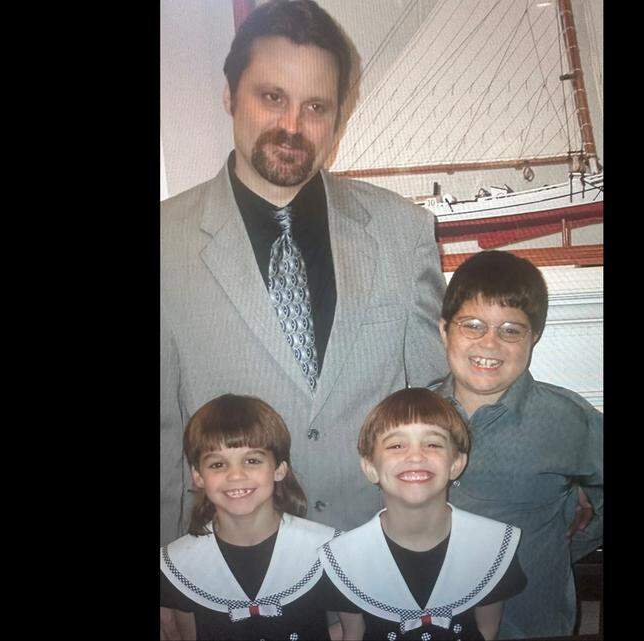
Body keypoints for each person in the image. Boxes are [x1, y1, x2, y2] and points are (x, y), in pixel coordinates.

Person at [161, 0, 446, 545]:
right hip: (232, 568)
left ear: (340, 115)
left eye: (316, 106)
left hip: (384, 551)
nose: (292, 126)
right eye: (272, 98)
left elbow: (438, 401)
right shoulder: (164, 243)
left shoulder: (403, 232)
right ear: (229, 95)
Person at [431, 250, 603, 639]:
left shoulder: (569, 420)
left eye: (511, 330)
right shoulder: (409, 417)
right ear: (444, 331)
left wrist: (562, 550)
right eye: (472, 325)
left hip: (528, 624)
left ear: (534, 338)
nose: (489, 344)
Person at [319, 388, 526, 640]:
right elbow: (353, 634)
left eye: (433, 443)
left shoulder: (493, 545)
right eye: (396, 445)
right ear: (370, 468)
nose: (416, 455)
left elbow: (487, 630)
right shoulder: (343, 558)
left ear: (456, 464)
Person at [159, 394, 363, 640]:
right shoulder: (177, 565)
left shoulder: (331, 552)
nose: (235, 475)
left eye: (252, 460)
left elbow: (354, 630)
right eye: (217, 465)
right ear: (198, 476)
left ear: (279, 469)